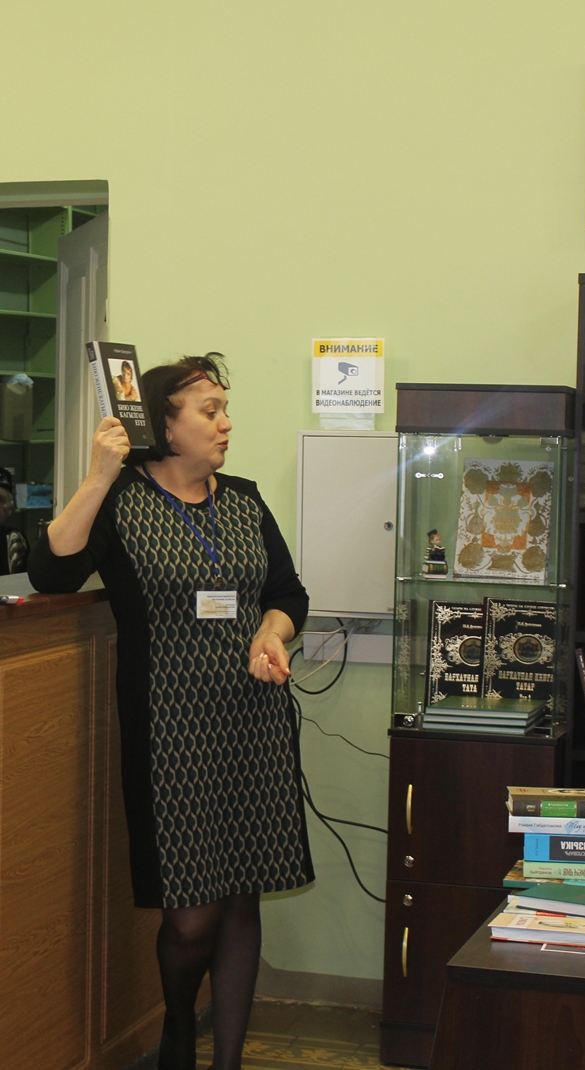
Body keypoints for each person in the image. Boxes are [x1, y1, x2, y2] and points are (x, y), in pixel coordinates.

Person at [29, 354, 313, 1070]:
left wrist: (271, 631)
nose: (225, 423)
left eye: (224, 409)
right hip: (169, 731)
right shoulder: (121, 499)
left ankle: (228, 1062)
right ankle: (179, 1034)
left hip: (253, 723)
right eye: (209, 411)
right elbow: (52, 571)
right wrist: (98, 476)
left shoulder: (243, 500)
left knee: (241, 897)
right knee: (190, 915)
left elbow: (287, 593)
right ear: (164, 423)